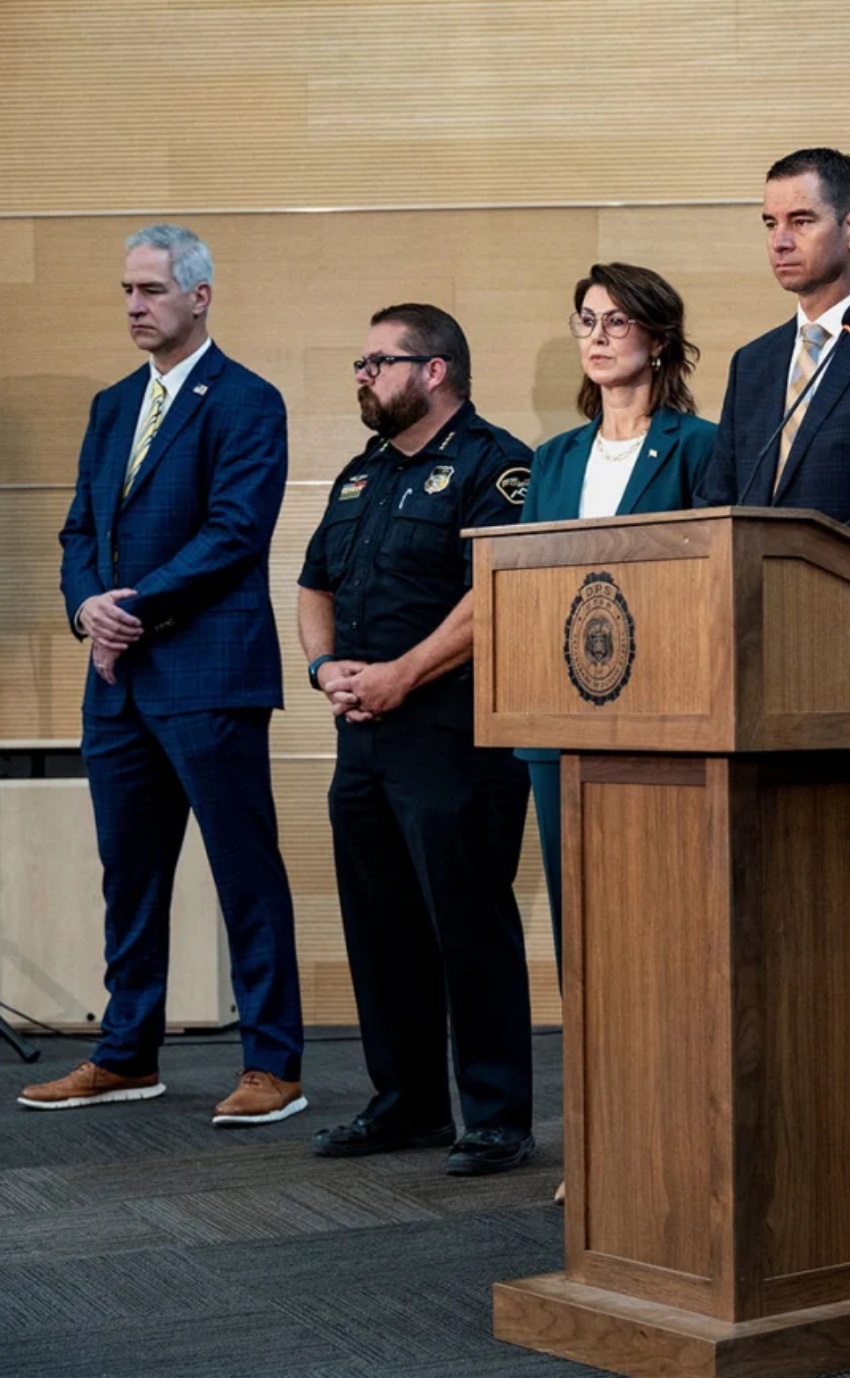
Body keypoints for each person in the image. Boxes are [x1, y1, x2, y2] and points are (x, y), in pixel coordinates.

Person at [25, 223, 305, 1127]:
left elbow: (234, 533)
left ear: (200, 296)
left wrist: (128, 606)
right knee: (130, 876)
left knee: (243, 873)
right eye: (127, 292)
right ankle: (126, 1055)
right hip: (116, 683)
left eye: (150, 290)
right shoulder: (113, 406)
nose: (135, 307)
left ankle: (273, 1065)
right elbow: (78, 533)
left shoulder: (247, 400)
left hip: (208, 672)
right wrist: (86, 609)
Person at [297, 303, 537, 1176]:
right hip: (362, 737)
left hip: (453, 734)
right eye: (361, 363)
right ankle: (405, 1102)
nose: (362, 376)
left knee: (467, 922)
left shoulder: (496, 466)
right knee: (380, 925)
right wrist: (327, 672)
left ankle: (497, 1115)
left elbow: (494, 598)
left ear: (434, 370)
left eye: (378, 362)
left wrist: (402, 672)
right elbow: (314, 584)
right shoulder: (361, 474)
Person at [519, 262, 715, 980]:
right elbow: (529, 584)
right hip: (560, 716)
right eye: (587, 321)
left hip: (661, 713)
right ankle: (592, 1082)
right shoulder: (552, 460)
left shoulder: (699, 446)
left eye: (617, 321)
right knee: (582, 921)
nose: (597, 336)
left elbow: (708, 578)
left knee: (660, 913)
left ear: (659, 338)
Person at [697, 148, 850, 517]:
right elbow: (716, 502)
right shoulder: (752, 362)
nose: (780, 242)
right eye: (771, 224)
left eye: (800, 222)